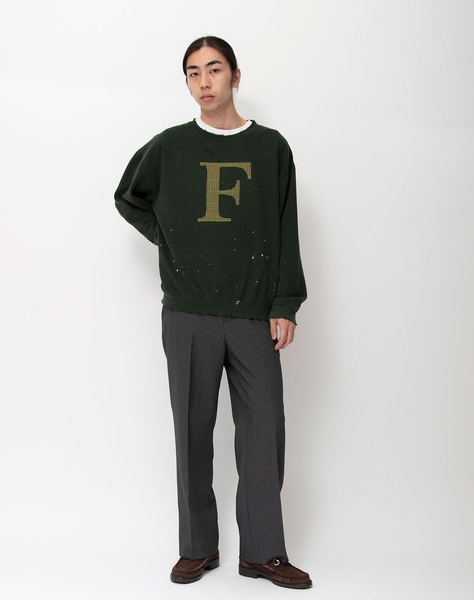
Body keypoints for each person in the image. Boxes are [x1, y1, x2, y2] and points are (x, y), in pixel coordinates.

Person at [115, 36, 312, 590]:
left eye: (214, 69)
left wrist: (286, 301)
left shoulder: (270, 147)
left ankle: (264, 553)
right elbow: (128, 197)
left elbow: (287, 225)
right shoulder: (170, 146)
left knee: (263, 432)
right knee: (191, 433)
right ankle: (197, 548)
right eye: (193, 72)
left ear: (235, 76)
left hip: (253, 313)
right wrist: (169, 238)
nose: (204, 82)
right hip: (188, 313)